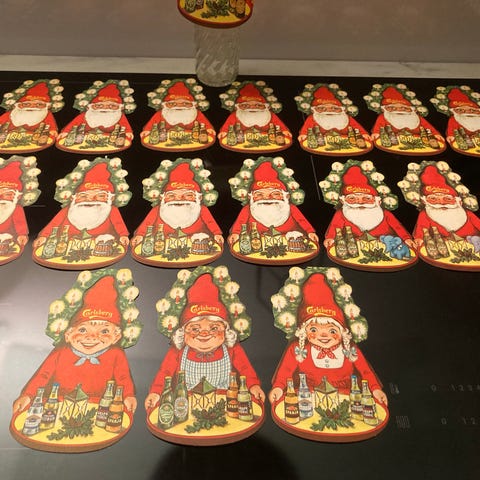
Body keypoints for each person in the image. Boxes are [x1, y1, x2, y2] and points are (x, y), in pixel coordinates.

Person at [13, 275, 137, 413]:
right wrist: (28, 395)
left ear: (116, 337)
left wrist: (128, 396)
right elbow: (43, 375)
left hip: (99, 406)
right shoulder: (61, 352)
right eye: (83, 330)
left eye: (104, 331)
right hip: (58, 405)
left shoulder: (116, 354)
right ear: (68, 334)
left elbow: (123, 378)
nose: (91, 337)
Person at [145, 272, 265, 410]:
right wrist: (155, 392)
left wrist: (254, 386)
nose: (204, 334)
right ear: (184, 331)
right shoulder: (177, 351)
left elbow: (245, 369)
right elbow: (165, 373)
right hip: (186, 405)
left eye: (214, 328)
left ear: (225, 330)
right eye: (195, 329)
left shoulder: (232, 349)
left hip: (225, 405)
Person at [269, 272, 388, 406]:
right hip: (307, 400)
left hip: (346, 401)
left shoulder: (350, 349)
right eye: (314, 330)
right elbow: (284, 373)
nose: (323, 335)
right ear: (304, 332)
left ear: (342, 332)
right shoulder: (297, 349)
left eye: (332, 331)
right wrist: (278, 388)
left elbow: (366, 372)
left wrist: (376, 389)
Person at [33, 162, 129, 251]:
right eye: (84, 196)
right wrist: (44, 236)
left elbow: (119, 224)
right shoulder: (67, 210)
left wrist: (123, 235)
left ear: (110, 198)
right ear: (73, 198)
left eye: (99, 196)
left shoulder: (111, 210)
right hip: (65, 247)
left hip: (100, 248)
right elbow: (54, 224)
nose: (90, 200)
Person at [132, 161, 223, 248]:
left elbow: (210, 222)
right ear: (162, 198)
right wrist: (140, 235)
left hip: (196, 245)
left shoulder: (201, 209)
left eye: (187, 195)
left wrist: (217, 234)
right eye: (172, 195)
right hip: (162, 245)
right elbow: (147, 223)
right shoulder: (157, 209)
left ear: (199, 197)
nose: (179, 199)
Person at [323, 165, 414, 250]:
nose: (360, 202)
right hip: (354, 248)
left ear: (377, 201)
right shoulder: (341, 213)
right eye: (352, 198)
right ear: (343, 201)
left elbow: (397, 227)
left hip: (386, 247)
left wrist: (406, 238)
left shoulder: (385, 214)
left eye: (366, 198)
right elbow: (335, 227)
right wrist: (330, 238)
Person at [228, 161, 318, 246]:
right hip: (257, 243)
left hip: (290, 242)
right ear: (250, 197)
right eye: (259, 194)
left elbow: (302, 220)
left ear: (286, 196)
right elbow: (240, 222)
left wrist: (310, 232)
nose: (267, 198)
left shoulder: (290, 208)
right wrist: (235, 233)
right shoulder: (248, 209)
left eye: (275, 194)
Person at [413, 165, 480, 242]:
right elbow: (421, 230)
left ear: (458, 201)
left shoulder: (467, 213)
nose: (442, 203)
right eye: (433, 199)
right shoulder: (425, 214)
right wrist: (419, 239)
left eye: (448, 199)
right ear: (425, 201)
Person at [57, 82, 133, 149]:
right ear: (90, 106)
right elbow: (74, 123)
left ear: (119, 107)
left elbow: (125, 125)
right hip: (83, 140)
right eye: (99, 105)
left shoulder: (119, 115)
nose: (105, 108)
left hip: (108, 142)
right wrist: (66, 132)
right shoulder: (86, 115)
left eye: (111, 106)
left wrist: (128, 132)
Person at [140, 81, 215, 149]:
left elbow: (204, 123)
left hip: (191, 140)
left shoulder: (197, 113)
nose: (179, 106)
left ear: (193, 105)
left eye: (185, 103)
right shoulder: (161, 113)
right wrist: (147, 130)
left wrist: (209, 128)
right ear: (164, 105)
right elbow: (153, 123)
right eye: (173, 103)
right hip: (165, 141)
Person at [219, 83, 292, 149]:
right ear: (238, 107)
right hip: (242, 141)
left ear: (265, 106)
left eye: (258, 105)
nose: (252, 108)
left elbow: (278, 124)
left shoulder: (270, 115)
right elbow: (229, 125)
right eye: (246, 105)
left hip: (267, 141)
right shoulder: (235, 115)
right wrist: (224, 131)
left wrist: (284, 130)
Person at [370, 85, 443, 148]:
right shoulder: (383, 117)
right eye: (392, 108)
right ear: (384, 109)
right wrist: (376, 133)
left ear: (412, 109)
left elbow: (428, 126)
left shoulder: (417, 118)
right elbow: (378, 127)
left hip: (418, 143)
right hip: (394, 143)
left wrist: (435, 134)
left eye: (404, 108)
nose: (399, 110)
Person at [298, 85, 370, 148]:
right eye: (322, 108)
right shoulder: (313, 118)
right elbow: (307, 128)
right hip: (322, 144)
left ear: (342, 109)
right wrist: (303, 134)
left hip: (346, 144)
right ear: (314, 110)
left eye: (334, 108)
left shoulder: (347, 118)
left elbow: (356, 126)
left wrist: (364, 133)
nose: (329, 111)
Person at [0, 161, 29, 249]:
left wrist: (22, 235)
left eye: (8, 194)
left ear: (17, 196)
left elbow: (20, 225)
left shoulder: (16, 208)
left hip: (8, 243)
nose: (1, 197)